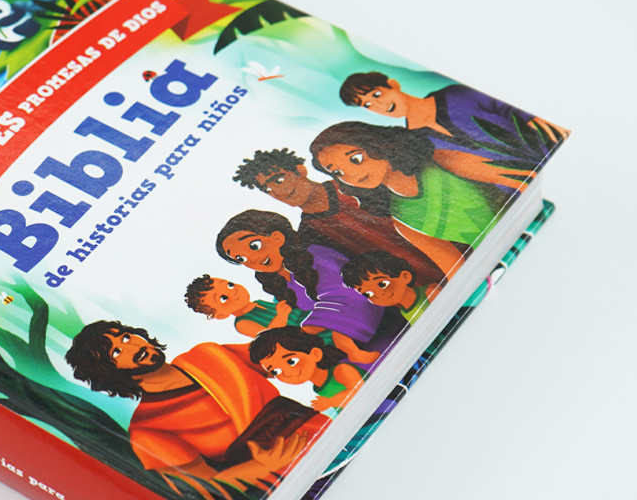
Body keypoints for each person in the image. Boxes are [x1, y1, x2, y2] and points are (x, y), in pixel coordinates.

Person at [65, 321, 328, 493]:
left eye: (125, 337)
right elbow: (203, 489)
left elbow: (283, 352)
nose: (132, 346)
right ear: (108, 371)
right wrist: (262, 466)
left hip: (326, 433)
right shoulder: (147, 430)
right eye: (116, 352)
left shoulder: (208, 354)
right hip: (285, 481)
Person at [309, 121, 505, 279]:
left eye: (355, 159)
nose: (350, 174)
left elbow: (512, 180)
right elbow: (454, 267)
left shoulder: (439, 161)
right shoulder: (402, 221)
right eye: (337, 172)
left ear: (375, 144)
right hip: (499, 257)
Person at [231, 146, 444, 288]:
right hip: (418, 287)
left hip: (447, 247)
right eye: (268, 189)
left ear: (300, 170)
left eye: (279, 180)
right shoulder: (309, 235)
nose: (279, 191)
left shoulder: (355, 183)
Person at [338, 71, 568, 188]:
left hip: (555, 158)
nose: (379, 106)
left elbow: (519, 113)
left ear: (393, 85)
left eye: (377, 95)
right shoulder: (414, 141)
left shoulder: (457, 94)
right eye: (368, 105)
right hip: (513, 189)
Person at [215, 209, 385, 364]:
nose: (251, 259)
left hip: (362, 310)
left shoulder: (316, 256)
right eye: (241, 259)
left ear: (277, 237)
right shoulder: (278, 282)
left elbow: (346, 293)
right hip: (327, 337)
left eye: (254, 246)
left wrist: (306, 331)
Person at [248, 327, 365, 413]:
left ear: (315, 354)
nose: (287, 373)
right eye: (275, 371)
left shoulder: (341, 370)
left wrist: (331, 402)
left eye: (291, 361)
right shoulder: (317, 387)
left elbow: (359, 390)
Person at [183, 274, 302, 338]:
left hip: (305, 317)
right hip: (299, 333)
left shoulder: (258, 302)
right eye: (223, 298)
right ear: (221, 315)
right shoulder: (242, 324)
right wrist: (281, 317)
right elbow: (269, 338)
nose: (233, 291)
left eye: (230, 285)